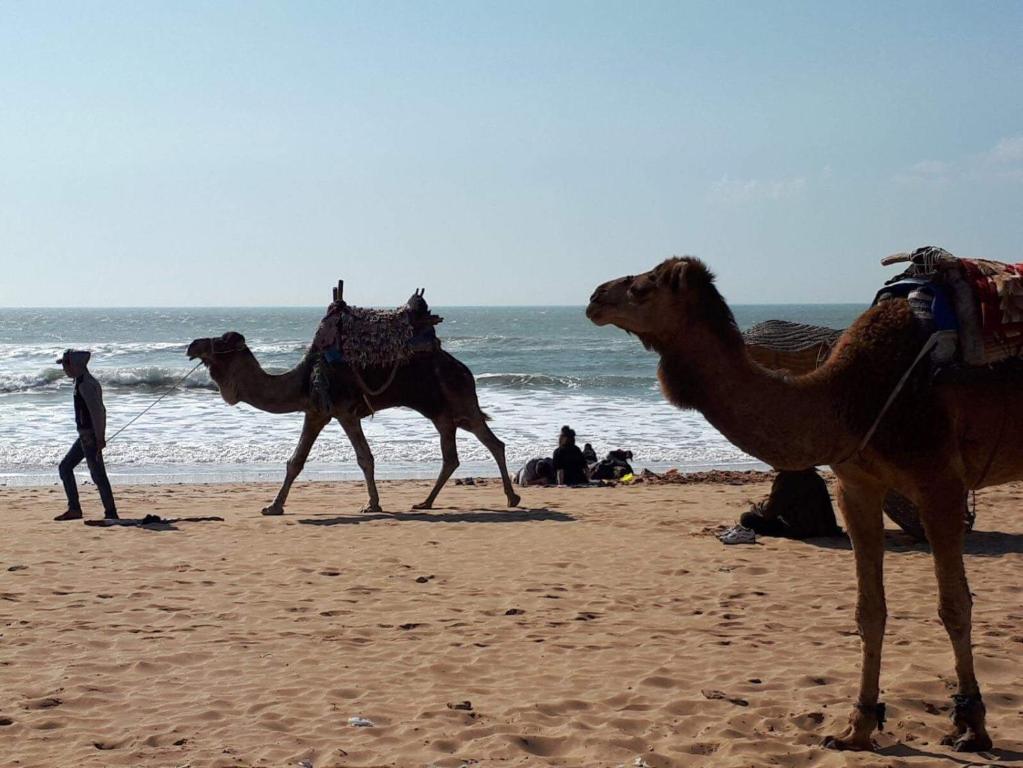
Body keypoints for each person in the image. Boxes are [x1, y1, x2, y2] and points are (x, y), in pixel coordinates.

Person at [55, 350, 118, 521]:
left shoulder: (86, 384)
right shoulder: (80, 381)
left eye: (65, 365)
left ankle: (111, 513)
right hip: (84, 436)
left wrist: (100, 438)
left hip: (90, 437)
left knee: (98, 475)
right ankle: (74, 509)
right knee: (65, 468)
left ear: (74, 365)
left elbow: (98, 412)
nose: (64, 369)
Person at [739, 469, 841, 539]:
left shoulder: (786, 478)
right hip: (825, 528)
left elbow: (770, 513)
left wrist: (756, 507)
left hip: (801, 530)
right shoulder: (814, 476)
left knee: (747, 518)